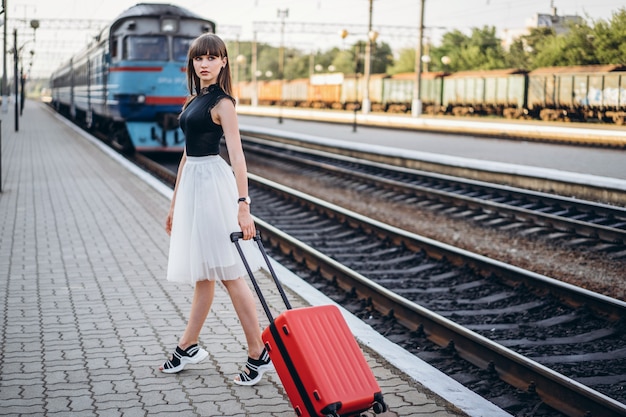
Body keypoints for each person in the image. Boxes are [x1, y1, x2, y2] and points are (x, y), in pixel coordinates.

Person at [160, 33, 272, 386]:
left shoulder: (223, 103)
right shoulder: (194, 99)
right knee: (203, 275)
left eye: (212, 57)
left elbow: (238, 157)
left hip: (213, 186)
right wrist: (175, 203)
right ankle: (188, 345)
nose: (204, 63)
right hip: (194, 185)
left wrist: (243, 206)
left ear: (223, 62)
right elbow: (186, 155)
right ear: (193, 63)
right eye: (198, 58)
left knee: (228, 273)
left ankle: (258, 353)